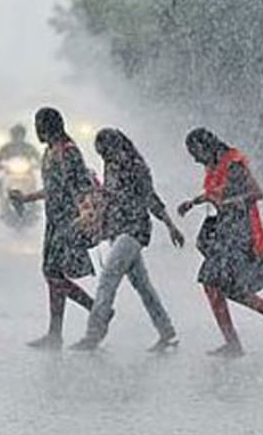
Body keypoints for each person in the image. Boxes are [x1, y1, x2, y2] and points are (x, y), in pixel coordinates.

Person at [177, 128, 263, 358]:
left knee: (213, 282)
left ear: (205, 146)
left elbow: (255, 193)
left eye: (195, 152)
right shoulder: (214, 165)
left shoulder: (233, 164)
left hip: (239, 232)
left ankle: (237, 341)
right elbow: (215, 192)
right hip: (225, 231)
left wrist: (226, 202)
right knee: (226, 287)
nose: (194, 158)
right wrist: (194, 202)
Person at [68, 128, 184, 352]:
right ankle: (167, 333)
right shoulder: (111, 166)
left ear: (116, 146)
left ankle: (93, 334)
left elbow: (150, 197)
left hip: (134, 229)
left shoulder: (135, 167)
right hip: (117, 229)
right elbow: (111, 196)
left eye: (106, 152)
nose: (105, 158)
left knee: (108, 279)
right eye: (101, 154)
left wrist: (170, 225)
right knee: (143, 287)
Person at [10, 108, 98, 350]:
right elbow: (53, 189)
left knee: (52, 273)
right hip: (54, 220)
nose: (36, 130)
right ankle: (55, 332)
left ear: (50, 126)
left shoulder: (68, 152)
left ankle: (97, 309)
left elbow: (76, 188)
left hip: (69, 220)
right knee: (54, 275)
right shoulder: (50, 152)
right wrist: (26, 198)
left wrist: (84, 215)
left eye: (39, 125)